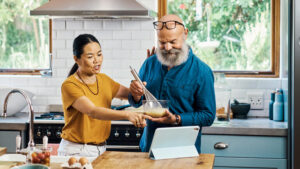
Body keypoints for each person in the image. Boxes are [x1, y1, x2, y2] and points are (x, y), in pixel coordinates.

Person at [128, 14, 216, 153]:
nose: (168, 47)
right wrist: (135, 95)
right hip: (148, 148)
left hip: (183, 151)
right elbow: (139, 103)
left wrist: (176, 119)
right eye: (162, 43)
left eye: (173, 41)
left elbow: (208, 116)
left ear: (185, 34)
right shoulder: (149, 64)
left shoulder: (202, 71)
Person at [58, 34, 147, 157]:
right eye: (90, 56)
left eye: (99, 54)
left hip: (101, 149)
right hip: (76, 151)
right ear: (76, 59)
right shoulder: (70, 85)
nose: (97, 60)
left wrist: (136, 90)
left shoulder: (104, 80)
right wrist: (127, 114)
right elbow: (92, 111)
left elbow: (133, 95)